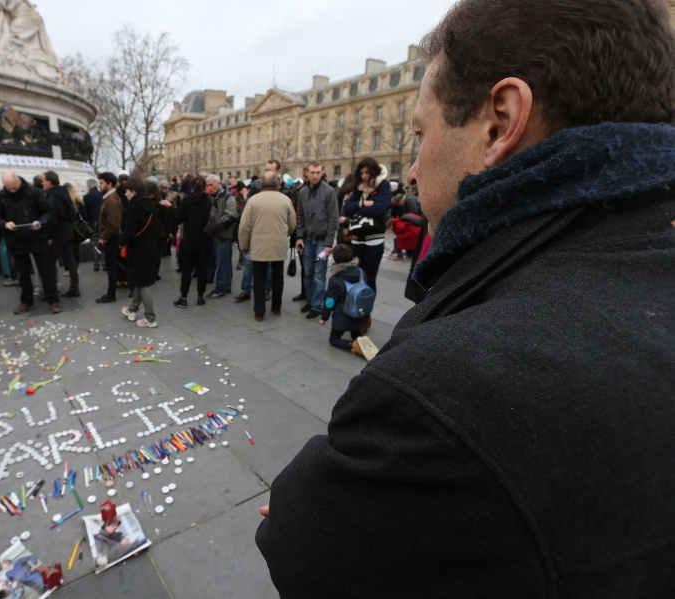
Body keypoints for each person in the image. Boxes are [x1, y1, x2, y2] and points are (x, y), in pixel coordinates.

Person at [256, 0, 675, 595]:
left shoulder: (449, 383)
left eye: (421, 134)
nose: (415, 168)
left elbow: (300, 547)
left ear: (500, 123)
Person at [0, 171, 60, 314]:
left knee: (46, 271)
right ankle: (26, 301)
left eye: (13, 186)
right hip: (15, 239)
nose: (11, 190)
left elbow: (48, 213)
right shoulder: (1, 196)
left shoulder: (34, 192)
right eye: (8, 187)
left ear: (18, 181)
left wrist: (40, 222)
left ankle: (53, 300)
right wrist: (5, 224)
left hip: (37, 237)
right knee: (22, 273)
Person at [238, 171, 295, 322]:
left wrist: (244, 245)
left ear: (261, 184)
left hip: (258, 246)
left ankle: (259, 312)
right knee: (277, 278)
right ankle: (276, 307)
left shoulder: (253, 200)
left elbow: (244, 226)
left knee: (259, 279)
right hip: (278, 245)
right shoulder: (285, 200)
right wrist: (283, 233)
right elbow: (292, 224)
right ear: (278, 183)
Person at [294, 161, 339, 320]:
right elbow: (299, 216)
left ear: (322, 173)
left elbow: (334, 218)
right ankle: (310, 300)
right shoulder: (303, 192)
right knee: (307, 273)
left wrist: (328, 244)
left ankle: (317, 305)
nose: (315, 175)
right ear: (306, 173)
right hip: (307, 239)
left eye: (318, 172)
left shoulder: (329, 192)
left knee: (319, 274)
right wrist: (299, 236)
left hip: (321, 241)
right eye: (312, 172)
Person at [341, 157, 391, 293]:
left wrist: (358, 209)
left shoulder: (383, 185)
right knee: (356, 275)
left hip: (374, 240)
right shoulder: (358, 187)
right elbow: (348, 208)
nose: (364, 176)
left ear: (373, 172)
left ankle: (365, 311)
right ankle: (355, 308)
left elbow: (379, 208)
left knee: (369, 278)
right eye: (362, 173)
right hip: (357, 239)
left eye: (367, 173)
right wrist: (362, 204)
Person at [119, 177, 159, 328]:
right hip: (150, 247)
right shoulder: (151, 205)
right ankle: (132, 309)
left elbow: (128, 232)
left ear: (133, 191)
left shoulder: (133, 208)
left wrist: (121, 242)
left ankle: (150, 318)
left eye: (127, 191)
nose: (126, 194)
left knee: (144, 284)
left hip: (137, 248)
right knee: (140, 280)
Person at [317, 243, 366, 357]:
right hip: (359, 315)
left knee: (334, 339)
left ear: (335, 259)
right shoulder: (361, 272)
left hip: (342, 317)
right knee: (356, 334)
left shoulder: (335, 279)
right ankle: (360, 341)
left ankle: (351, 345)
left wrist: (324, 317)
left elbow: (330, 302)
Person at [172, 178, 212, 308]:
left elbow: (178, 219)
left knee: (186, 271)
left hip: (189, 241)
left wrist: (172, 209)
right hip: (204, 240)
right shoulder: (209, 201)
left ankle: (183, 298)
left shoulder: (187, 200)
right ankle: (200, 296)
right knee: (202, 271)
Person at [41, 170, 79, 298]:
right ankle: (74, 287)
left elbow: (53, 217)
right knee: (70, 261)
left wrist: (49, 236)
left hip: (58, 234)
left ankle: (51, 292)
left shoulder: (53, 195)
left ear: (50, 181)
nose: (42, 183)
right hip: (68, 231)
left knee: (50, 262)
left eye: (44, 180)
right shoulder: (63, 192)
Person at [204, 175, 238, 298]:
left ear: (218, 184)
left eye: (211, 185)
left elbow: (232, 214)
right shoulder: (214, 197)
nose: (209, 188)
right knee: (224, 262)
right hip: (217, 234)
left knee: (222, 262)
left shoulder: (228, 197)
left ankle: (220, 287)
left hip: (223, 235)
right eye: (207, 185)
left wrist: (216, 224)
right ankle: (225, 286)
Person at [95, 172, 122, 303]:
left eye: (101, 183)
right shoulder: (108, 197)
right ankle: (132, 283)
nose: (99, 186)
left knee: (111, 266)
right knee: (113, 264)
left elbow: (113, 224)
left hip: (111, 237)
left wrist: (103, 236)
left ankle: (111, 294)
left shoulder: (111, 200)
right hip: (111, 236)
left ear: (109, 184)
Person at [82, 178, 104, 271]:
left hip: (92, 223)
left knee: (93, 243)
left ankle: (96, 263)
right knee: (103, 242)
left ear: (89, 186)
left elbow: (85, 213)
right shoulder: (102, 195)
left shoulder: (86, 197)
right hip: (102, 222)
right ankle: (104, 262)